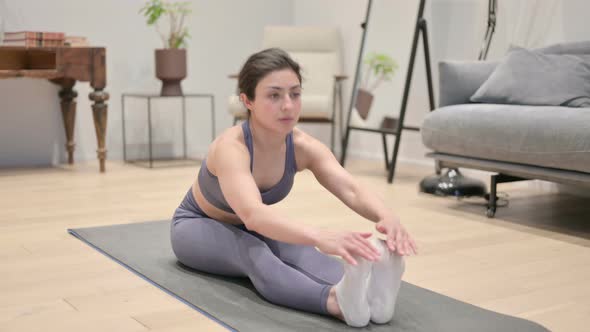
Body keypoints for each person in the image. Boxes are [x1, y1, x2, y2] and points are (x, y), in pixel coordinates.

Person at [171, 48, 417, 327]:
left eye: (295, 94)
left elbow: (350, 188)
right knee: (256, 253)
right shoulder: (231, 148)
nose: (288, 105)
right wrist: (320, 235)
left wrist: (387, 217)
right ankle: (335, 302)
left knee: (301, 251)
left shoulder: (303, 146)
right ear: (247, 101)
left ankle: (371, 294)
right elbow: (254, 215)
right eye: (274, 95)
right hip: (196, 226)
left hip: (253, 226)